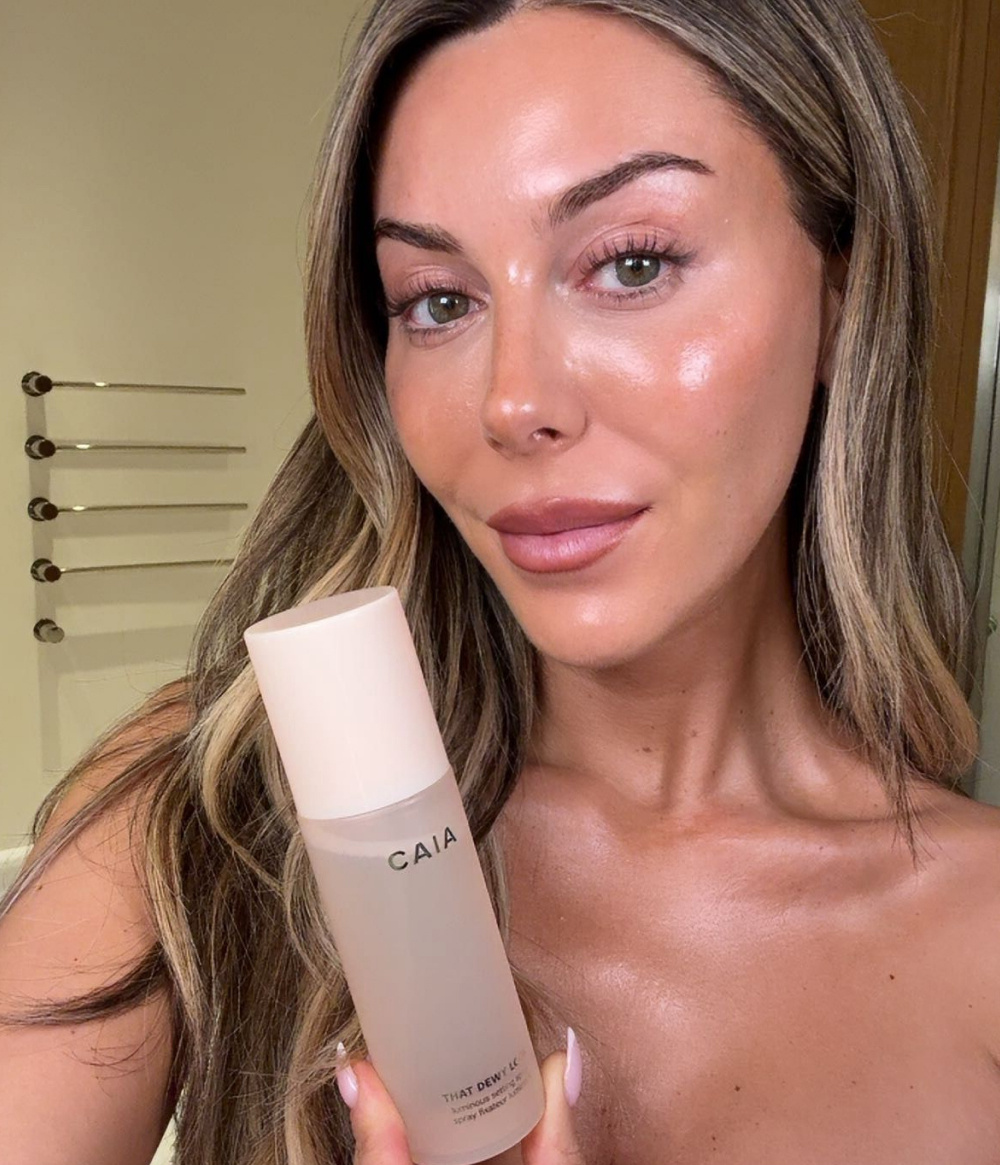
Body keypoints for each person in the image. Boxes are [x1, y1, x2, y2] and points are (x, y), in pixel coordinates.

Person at [2, 0, 998, 1161]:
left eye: (632, 263)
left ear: (841, 295)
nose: (512, 401)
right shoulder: (207, 807)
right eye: (438, 300)